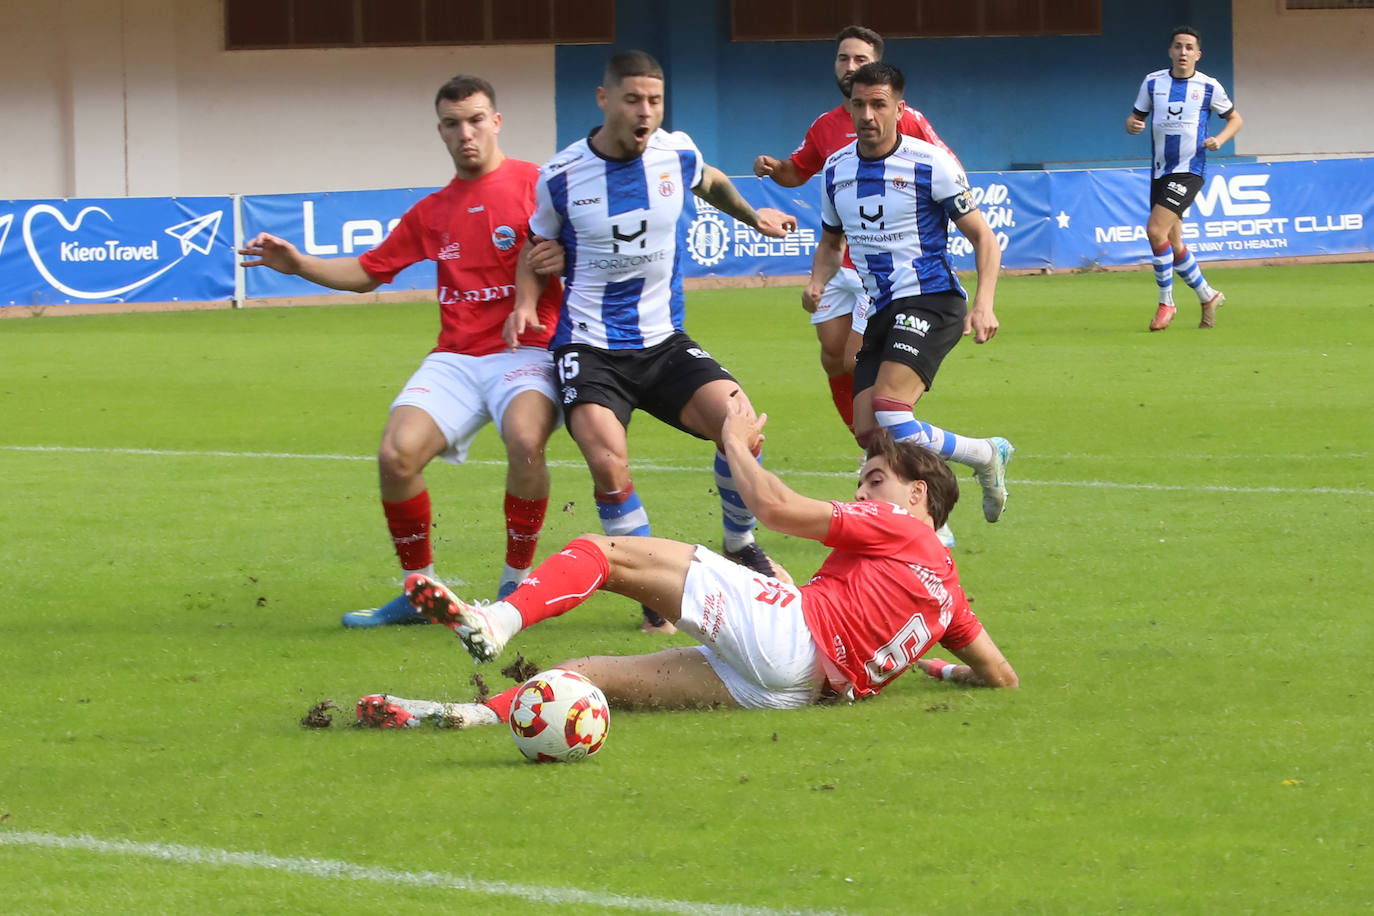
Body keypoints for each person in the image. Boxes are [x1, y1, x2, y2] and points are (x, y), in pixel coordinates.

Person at [355, 398, 1017, 730]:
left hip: (790, 638)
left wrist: (731, 439)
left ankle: (496, 620)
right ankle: (461, 716)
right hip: (795, 692)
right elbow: (1002, 677)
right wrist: (942, 668)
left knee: (602, 550)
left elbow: (776, 506)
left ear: (917, 495)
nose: (861, 493)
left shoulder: (899, 525)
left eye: (873, 479)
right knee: (584, 680)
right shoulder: (949, 597)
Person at [239, 75, 565, 627]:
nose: (466, 133)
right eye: (453, 123)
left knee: (526, 440)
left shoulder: (542, 184)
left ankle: (515, 587)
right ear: (439, 130)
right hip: (457, 357)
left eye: (477, 119)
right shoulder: (433, 211)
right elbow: (368, 271)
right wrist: (299, 266)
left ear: (497, 122)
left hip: (527, 349)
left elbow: (594, 250)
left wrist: (564, 264)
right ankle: (421, 589)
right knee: (396, 456)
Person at [505, 50, 799, 634]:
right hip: (588, 349)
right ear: (604, 99)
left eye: (655, 101)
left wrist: (751, 217)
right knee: (609, 464)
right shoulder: (561, 176)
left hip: (663, 343)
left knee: (742, 422)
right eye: (634, 100)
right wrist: (524, 301)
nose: (646, 112)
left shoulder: (675, 151)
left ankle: (740, 544)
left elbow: (710, 179)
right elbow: (535, 247)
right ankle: (654, 591)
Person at [805, 62, 1014, 529]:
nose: (867, 115)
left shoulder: (929, 162)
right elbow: (831, 241)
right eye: (859, 104)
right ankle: (984, 453)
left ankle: (932, 525)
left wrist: (984, 303)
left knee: (891, 409)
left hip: (931, 299)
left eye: (879, 105)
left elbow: (984, 238)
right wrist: (818, 281)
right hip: (878, 308)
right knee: (869, 432)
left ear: (899, 109)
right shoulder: (836, 169)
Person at [753, 26, 954, 441]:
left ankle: (892, 422)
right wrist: (776, 168)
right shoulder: (826, 125)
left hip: (882, 269)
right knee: (832, 358)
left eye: (860, 59)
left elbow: (947, 166)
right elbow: (799, 170)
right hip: (838, 257)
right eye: (843, 58)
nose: (850, 66)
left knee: (855, 356)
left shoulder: (908, 120)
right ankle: (865, 438)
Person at [1126, 25, 1242, 331]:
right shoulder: (1153, 82)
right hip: (1160, 170)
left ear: (1198, 55)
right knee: (1173, 242)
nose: (1183, 52)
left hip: (1190, 170)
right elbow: (1135, 118)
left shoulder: (1208, 86)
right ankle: (1208, 295)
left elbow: (1235, 119)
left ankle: (1167, 303)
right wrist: (1132, 125)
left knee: (1154, 230)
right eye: (1178, 46)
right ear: (1170, 51)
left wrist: (1220, 139)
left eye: (1189, 47)